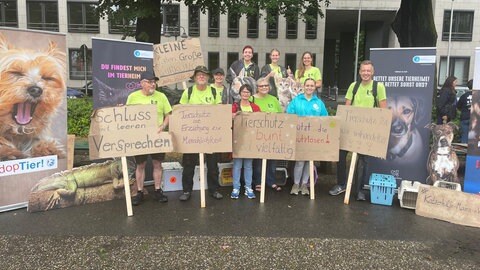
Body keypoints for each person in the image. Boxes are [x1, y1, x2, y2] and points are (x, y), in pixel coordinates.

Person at [328, 60, 387, 201]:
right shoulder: (353, 86)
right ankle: (341, 184)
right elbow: (347, 107)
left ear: (372, 72)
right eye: (363, 71)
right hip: (351, 129)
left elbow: (383, 111)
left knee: (364, 161)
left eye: (368, 71)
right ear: (359, 72)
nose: (365, 73)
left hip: (368, 131)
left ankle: (358, 189)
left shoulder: (378, 87)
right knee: (341, 155)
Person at [126, 71, 172, 206]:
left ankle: (158, 190)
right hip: (139, 137)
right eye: (150, 82)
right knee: (140, 165)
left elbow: (168, 114)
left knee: (158, 164)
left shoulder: (162, 96)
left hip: (157, 136)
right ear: (142, 83)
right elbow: (126, 115)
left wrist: (163, 126)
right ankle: (139, 192)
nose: (153, 84)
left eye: (154, 82)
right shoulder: (132, 97)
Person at [178, 66, 223, 201]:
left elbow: (219, 110)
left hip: (210, 135)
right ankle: (186, 190)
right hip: (192, 136)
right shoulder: (188, 92)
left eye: (204, 74)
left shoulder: (214, 92)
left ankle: (214, 190)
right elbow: (181, 110)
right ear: (195, 78)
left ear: (208, 77)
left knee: (213, 165)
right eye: (199, 75)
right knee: (188, 165)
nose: (202, 77)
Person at [287, 78, 329, 196]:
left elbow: (325, 118)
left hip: (314, 138)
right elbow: (289, 115)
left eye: (312, 85)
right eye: (307, 85)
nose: (309, 87)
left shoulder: (319, 103)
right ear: (304, 87)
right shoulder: (296, 100)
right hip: (299, 136)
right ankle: (296, 184)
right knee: (300, 161)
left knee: (310, 162)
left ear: (315, 87)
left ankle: (304, 184)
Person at [251, 77, 283, 192]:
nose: (264, 87)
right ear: (257, 88)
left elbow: (280, 115)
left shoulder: (274, 99)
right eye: (261, 86)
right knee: (258, 161)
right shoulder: (252, 99)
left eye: (266, 86)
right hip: (258, 135)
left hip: (273, 135)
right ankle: (258, 182)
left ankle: (271, 181)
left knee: (272, 160)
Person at [231, 84, 261, 199]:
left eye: (248, 92)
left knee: (248, 165)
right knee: (237, 165)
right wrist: (233, 116)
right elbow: (226, 118)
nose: (245, 94)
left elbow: (261, 121)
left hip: (251, 140)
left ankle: (248, 187)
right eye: (243, 92)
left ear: (251, 94)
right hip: (238, 139)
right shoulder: (234, 106)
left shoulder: (255, 107)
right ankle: (236, 187)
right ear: (240, 93)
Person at [457, 79, 473, 143]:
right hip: (475, 118)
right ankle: (473, 151)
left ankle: (464, 151)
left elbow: (458, 106)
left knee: (464, 136)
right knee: (474, 136)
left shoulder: (463, 96)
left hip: (464, 117)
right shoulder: (478, 95)